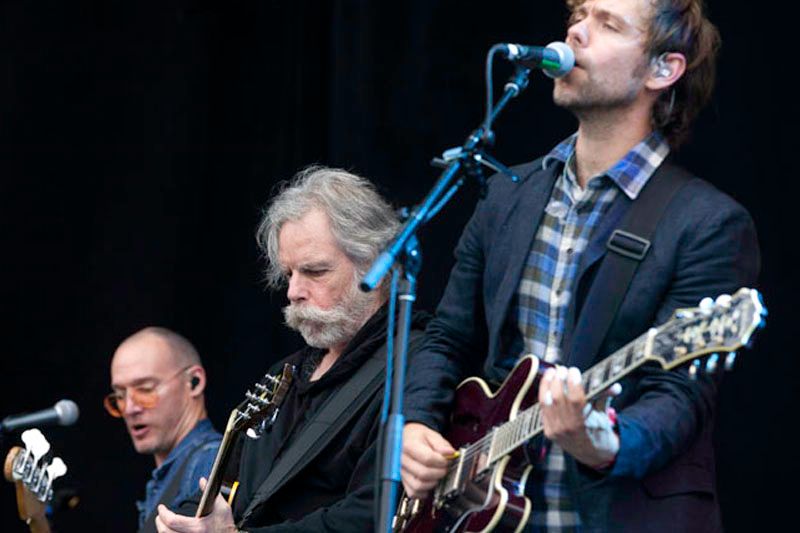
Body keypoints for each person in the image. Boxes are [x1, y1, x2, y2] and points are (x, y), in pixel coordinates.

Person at [401, 0, 759, 531]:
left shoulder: (705, 223)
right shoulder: (507, 196)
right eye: (578, 15)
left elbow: (680, 397)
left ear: (663, 69)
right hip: (489, 513)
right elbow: (447, 336)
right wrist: (415, 424)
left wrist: (604, 442)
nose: (575, 33)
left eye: (607, 23)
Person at [155, 166, 426, 532]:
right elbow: (224, 490)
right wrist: (181, 521)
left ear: (375, 265)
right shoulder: (284, 376)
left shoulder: (418, 363)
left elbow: (371, 514)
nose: (293, 292)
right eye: (289, 274)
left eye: (314, 271)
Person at [106, 327, 222, 533]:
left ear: (194, 382)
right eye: (120, 395)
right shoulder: (167, 476)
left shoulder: (208, 461)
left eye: (145, 389)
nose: (130, 408)